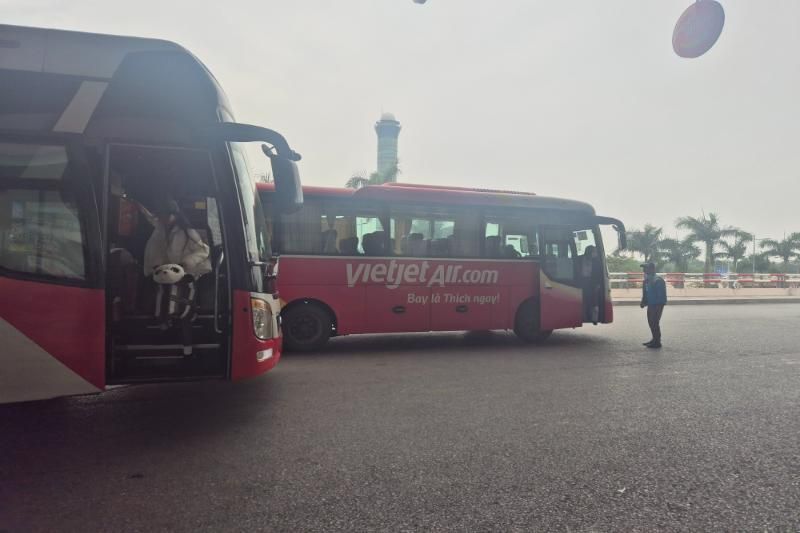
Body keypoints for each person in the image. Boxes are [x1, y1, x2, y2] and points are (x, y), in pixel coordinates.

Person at [138, 198, 212, 356]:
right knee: (160, 306)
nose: (163, 218)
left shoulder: (187, 232)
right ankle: (166, 332)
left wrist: (185, 265)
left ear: (175, 215)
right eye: (162, 215)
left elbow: (203, 251)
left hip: (183, 278)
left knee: (183, 312)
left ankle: (187, 348)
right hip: (163, 276)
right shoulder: (159, 227)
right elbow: (150, 217)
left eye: (166, 215)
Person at [640, 262, 667, 348]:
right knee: (651, 322)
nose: (644, 270)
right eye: (644, 268)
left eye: (646, 268)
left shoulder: (658, 280)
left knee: (654, 322)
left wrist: (658, 306)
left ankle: (657, 342)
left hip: (657, 304)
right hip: (651, 304)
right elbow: (646, 292)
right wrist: (643, 301)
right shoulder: (647, 280)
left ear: (652, 269)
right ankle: (654, 339)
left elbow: (661, 295)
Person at [581, 245, 603, 324]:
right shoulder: (579, 259)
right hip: (581, 282)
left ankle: (594, 319)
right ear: (589, 252)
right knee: (583, 300)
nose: (595, 253)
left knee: (594, 301)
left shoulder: (597, 262)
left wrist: (597, 285)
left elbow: (598, 274)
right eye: (594, 252)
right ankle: (583, 316)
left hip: (592, 283)